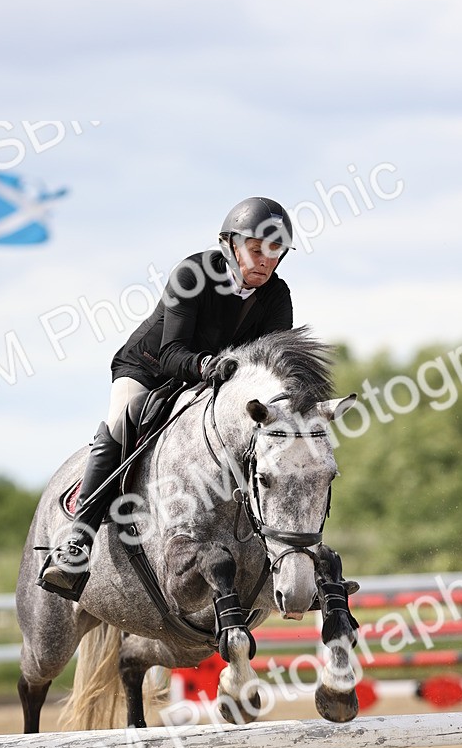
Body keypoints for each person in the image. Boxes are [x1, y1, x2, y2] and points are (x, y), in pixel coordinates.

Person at [39, 196, 295, 600]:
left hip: (216, 382)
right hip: (149, 368)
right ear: (230, 244)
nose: (265, 260)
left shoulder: (277, 296)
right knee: (124, 419)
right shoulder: (194, 272)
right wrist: (209, 366)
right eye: (256, 248)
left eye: (275, 251)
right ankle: (77, 543)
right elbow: (170, 352)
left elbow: (269, 367)